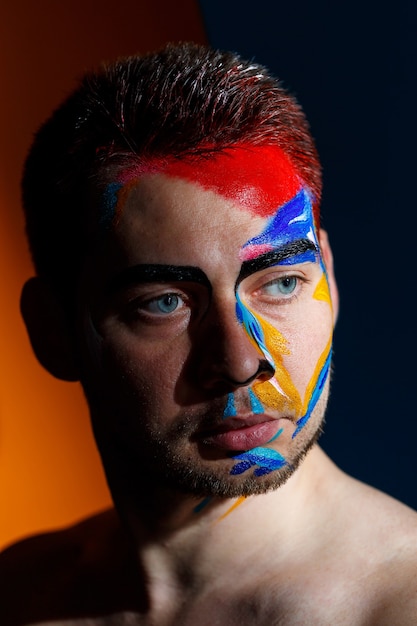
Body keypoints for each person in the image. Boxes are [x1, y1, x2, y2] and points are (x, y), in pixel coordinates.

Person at [1, 42, 416, 626]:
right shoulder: (22, 593)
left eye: (280, 284)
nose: (240, 361)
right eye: (164, 302)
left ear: (329, 276)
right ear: (52, 330)